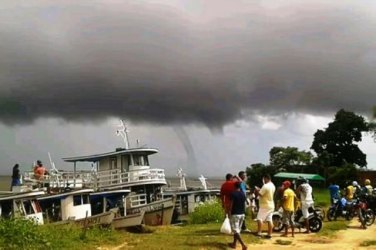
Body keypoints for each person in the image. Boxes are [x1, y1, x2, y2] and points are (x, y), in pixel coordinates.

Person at [228, 181, 248, 250]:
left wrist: (229, 212)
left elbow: (231, 204)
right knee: (237, 230)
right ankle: (234, 244)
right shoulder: (243, 194)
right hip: (242, 214)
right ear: (240, 186)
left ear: (234, 186)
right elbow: (245, 204)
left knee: (235, 230)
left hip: (235, 214)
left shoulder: (233, 194)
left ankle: (243, 245)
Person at [255, 174, 275, 239]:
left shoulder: (265, 186)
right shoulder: (273, 185)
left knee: (259, 218)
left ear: (266, 178)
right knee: (269, 219)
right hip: (271, 204)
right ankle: (269, 234)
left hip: (264, 205)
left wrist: (257, 190)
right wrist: (260, 189)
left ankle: (259, 233)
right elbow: (266, 193)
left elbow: (260, 194)